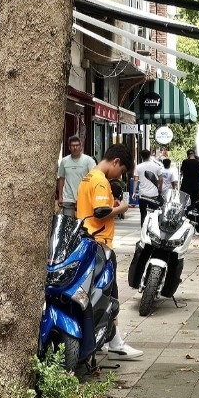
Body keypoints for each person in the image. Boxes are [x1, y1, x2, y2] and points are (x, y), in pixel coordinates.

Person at [78, 144, 143, 361]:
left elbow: (98, 208)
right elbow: (100, 214)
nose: (120, 175)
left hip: (87, 241)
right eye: (122, 170)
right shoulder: (99, 180)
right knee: (110, 295)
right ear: (115, 162)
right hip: (100, 244)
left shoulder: (88, 177)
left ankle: (103, 338)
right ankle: (116, 343)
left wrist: (110, 205)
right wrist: (121, 208)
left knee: (97, 295)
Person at [56, 135, 95, 215]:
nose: (75, 148)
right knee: (68, 224)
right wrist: (60, 196)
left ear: (81, 146)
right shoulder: (64, 161)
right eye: (73, 146)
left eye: (77, 145)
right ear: (69, 147)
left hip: (84, 198)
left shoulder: (88, 160)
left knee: (82, 224)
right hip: (68, 198)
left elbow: (94, 178)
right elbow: (61, 179)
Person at [134, 149, 164, 223]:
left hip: (143, 195)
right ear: (149, 155)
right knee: (154, 214)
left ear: (141, 157)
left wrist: (134, 192)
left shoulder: (138, 167)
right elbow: (161, 178)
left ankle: (143, 230)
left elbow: (136, 180)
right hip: (154, 194)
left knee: (143, 214)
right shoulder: (156, 166)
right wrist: (160, 188)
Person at [179, 149, 199, 214]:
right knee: (196, 205)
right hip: (195, 187)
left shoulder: (185, 162)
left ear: (187, 155)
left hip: (185, 187)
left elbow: (181, 172)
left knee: (183, 205)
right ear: (194, 154)